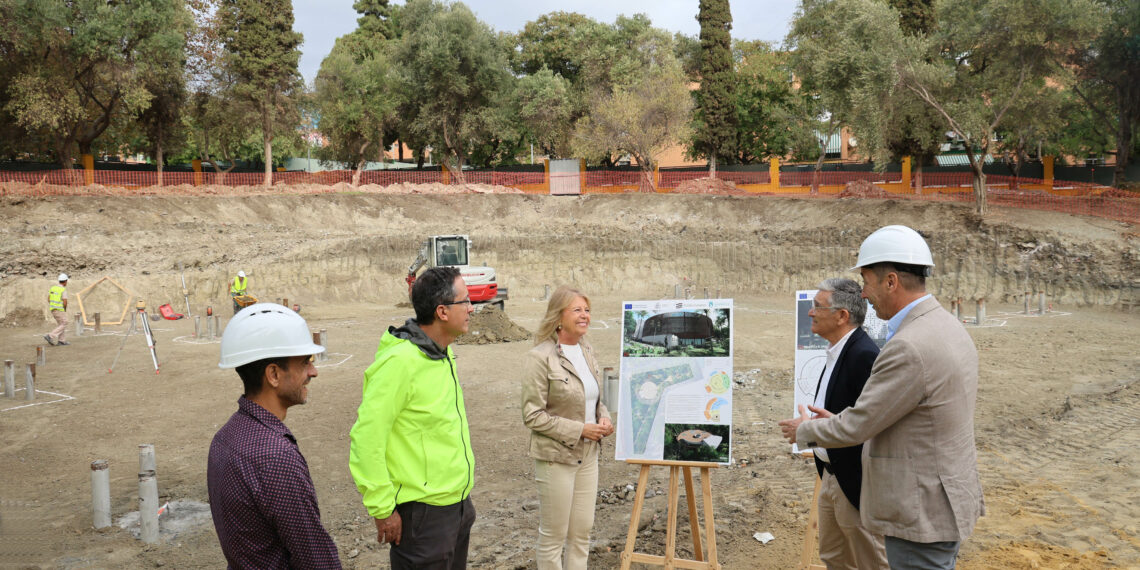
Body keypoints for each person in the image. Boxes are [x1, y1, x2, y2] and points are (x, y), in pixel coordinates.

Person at [779, 225, 984, 569]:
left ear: (891, 281)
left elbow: (859, 424)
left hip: (920, 511)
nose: (864, 294)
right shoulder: (946, 326)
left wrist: (805, 430)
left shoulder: (908, 345)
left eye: (867, 281)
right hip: (941, 499)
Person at [349, 266, 476, 569]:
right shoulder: (399, 363)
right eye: (465, 301)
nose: (472, 308)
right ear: (442, 312)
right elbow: (366, 439)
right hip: (423, 518)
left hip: (457, 507)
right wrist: (382, 508)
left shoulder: (443, 353)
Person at [207, 303, 341, 569]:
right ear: (274, 375)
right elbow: (314, 556)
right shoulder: (274, 456)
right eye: (304, 363)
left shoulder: (225, 438)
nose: (313, 372)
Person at [521, 286, 614, 569]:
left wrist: (604, 417)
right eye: (577, 310)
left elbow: (595, 398)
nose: (584, 315)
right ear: (558, 317)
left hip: (588, 456)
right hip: (556, 458)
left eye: (587, 310)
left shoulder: (586, 350)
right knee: (553, 536)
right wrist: (580, 430)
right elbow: (532, 415)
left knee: (581, 534)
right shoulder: (540, 357)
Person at [804, 278, 887, 570]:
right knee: (834, 558)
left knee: (870, 562)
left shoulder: (863, 355)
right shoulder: (839, 350)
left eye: (817, 306)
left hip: (854, 481)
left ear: (842, 315)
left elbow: (872, 425)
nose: (811, 312)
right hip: (831, 473)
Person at [44, 273, 70, 346]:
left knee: (61, 324)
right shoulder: (63, 289)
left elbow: (48, 299)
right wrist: (64, 309)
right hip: (59, 310)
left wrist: (53, 305)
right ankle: (50, 336)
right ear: (65, 281)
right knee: (64, 323)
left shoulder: (53, 288)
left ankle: (61, 341)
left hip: (53, 309)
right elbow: (65, 302)